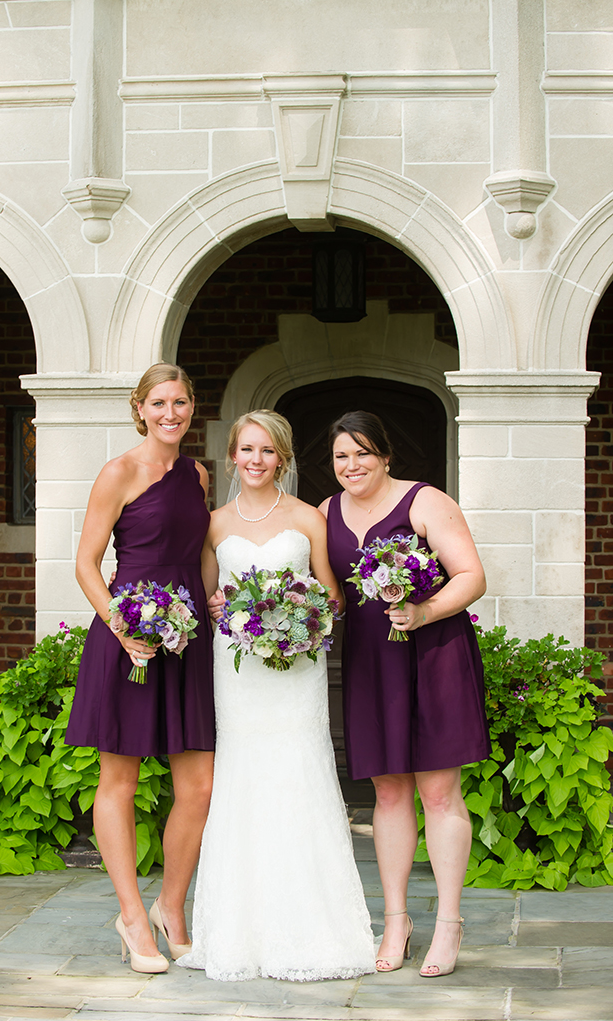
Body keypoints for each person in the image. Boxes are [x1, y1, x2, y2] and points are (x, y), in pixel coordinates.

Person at [179, 410, 376, 982]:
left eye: (268, 451)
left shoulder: (309, 518)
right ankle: (238, 932)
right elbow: (209, 597)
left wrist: (305, 613)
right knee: (243, 780)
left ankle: (315, 930)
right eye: (247, 450)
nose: (256, 460)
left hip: (297, 671)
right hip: (238, 674)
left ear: (282, 458)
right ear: (233, 457)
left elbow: (333, 597)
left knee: (298, 775)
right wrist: (219, 608)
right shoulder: (213, 523)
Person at [320, 410, 490, 979]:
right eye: (342, 456)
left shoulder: (424, 502)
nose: (353, 465)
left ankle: (448, 923)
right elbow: (329, 592)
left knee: (439, 794)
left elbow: (470, 575)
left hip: (434, 653)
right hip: (372, 661)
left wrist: (423, 611)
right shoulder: (325, 513)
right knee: (387, 795)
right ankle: (396, 920)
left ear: (386, 455)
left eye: (364, 453)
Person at [66, 363, 215, 975]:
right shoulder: (118, 472)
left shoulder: (198, 473)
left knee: (199, 785)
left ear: (190, 407)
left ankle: (170, 908)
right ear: (140, 408)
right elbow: (85, 562)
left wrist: (215, 604)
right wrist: (122, 628)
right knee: (119, 783)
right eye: (159, 402)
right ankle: (131, 915)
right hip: (127, 638)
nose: (171, 413)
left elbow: (200, 551)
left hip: (188, 639)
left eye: (180, 402)